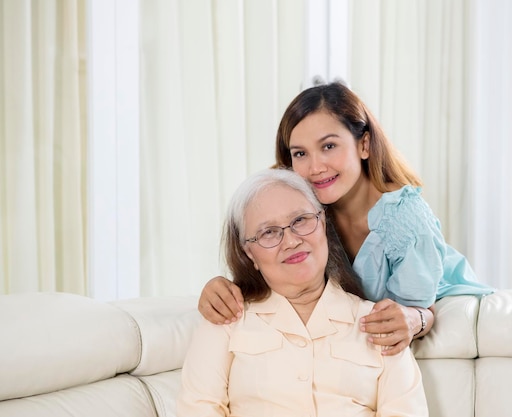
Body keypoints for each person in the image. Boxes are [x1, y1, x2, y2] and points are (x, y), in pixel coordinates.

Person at [198, 81, 494, 355]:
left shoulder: (406, 221)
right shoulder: (300, 209)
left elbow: (419, 309)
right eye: (300, 154)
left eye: (328, 146)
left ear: (364, 145)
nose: (315, 167)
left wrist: (416, 318)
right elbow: (265, 263)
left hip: (438, 295)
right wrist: (222, 286)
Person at [177, 168, 429, 417]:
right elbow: (198, 408)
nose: (291, 241)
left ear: (323, 224)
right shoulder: (226, 319)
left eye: (300, 220)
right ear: (249, 253)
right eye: (268, 232)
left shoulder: (380, 322)